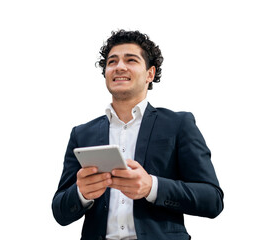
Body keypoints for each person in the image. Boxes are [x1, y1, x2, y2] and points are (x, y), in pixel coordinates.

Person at [52, 30, 224, 240]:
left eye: (131, 60)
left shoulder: (179, 125)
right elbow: (59, 212)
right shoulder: (82, 133)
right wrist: (81, 193)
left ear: (150, 74)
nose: (119, 67)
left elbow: (212, 200)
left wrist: (152, 187)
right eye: (112, 62)